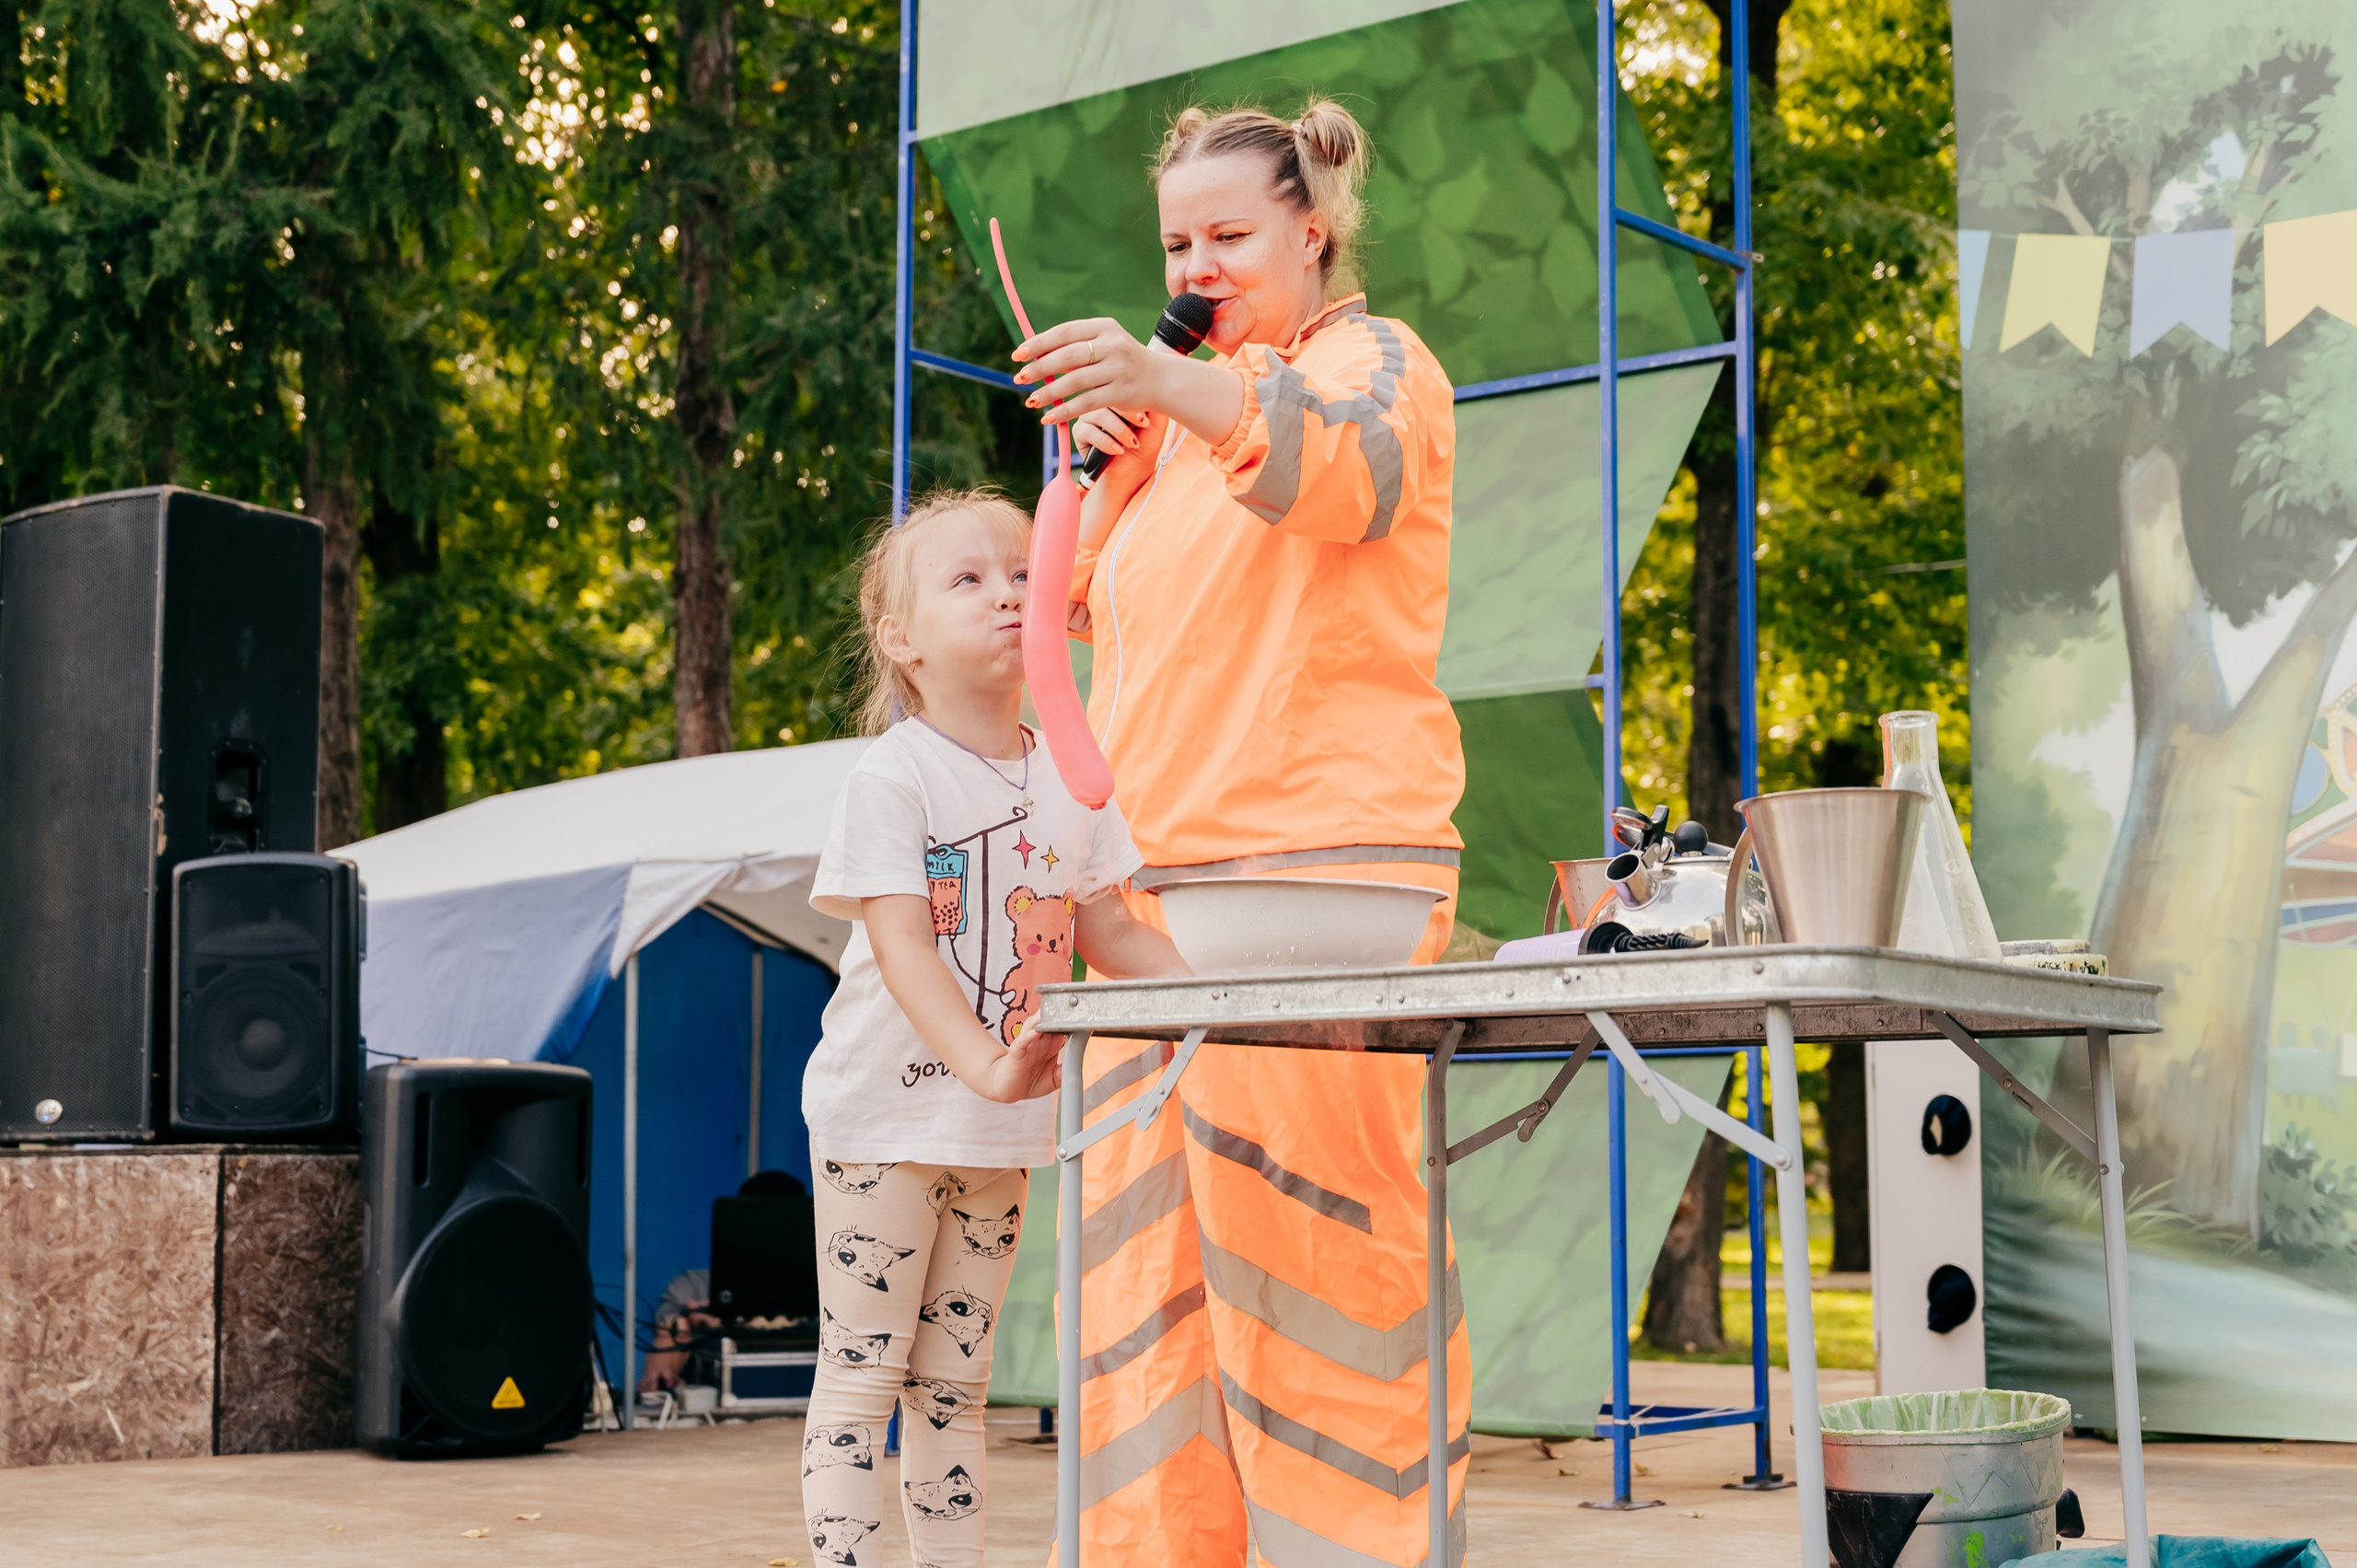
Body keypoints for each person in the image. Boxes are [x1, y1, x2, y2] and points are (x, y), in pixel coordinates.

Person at [1011, 99, 1469, 1566]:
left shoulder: (1370, 362)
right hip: (1157, 891)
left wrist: (1175, 385)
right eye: (1175, 243)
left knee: (1311, 1263)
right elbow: (1069, 611)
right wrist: (1094, 463)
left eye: (1228, 236)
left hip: (1312, 869)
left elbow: (1347, 470)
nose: (1196, 263)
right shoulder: (1170, 426)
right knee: (1145, 1291)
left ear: (1311, 231)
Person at [800, 489, 1190, 1568]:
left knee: (955, 1381)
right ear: (901, 640)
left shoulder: (1074, 767)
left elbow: (1110, 925)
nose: (1008, 593)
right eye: (966, 579)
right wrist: (982, 1062)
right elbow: (904, 944)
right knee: (866, 1368)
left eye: (1024, 571)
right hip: (887, 1116)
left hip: (1002, 1124)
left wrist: (1213, 1000)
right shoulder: (894, 774)